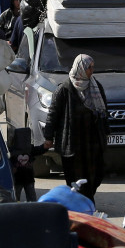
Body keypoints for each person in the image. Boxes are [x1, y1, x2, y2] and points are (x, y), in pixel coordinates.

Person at [42, 54, 108, 201]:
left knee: (97, 173)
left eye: (92, 67)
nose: (92, 70)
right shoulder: (64, 89)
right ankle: (83, 202)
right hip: (72, 142)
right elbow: (53, 114)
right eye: (89, 67)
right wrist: (49, 137)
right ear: (80, 69)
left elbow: (104, 112)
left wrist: (106, 132)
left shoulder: (96, 87)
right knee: (75, 176)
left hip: (92, 142)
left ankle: (87, 198)